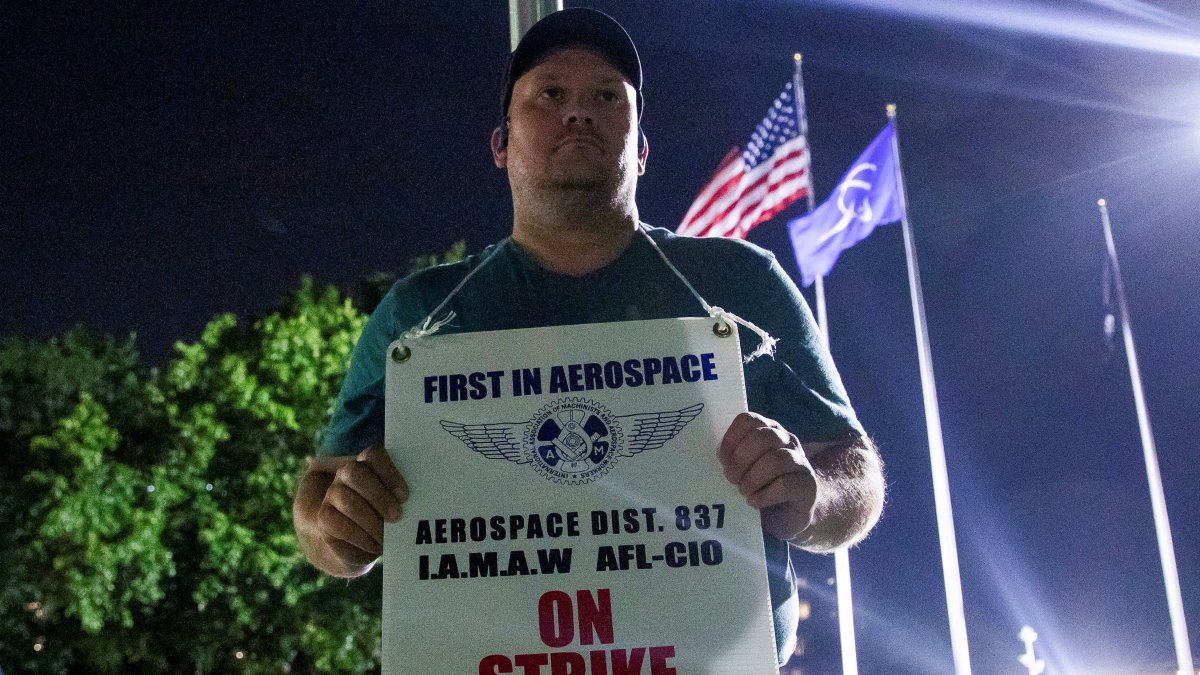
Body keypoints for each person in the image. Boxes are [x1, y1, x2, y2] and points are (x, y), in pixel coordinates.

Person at [292, 7, 884, 666]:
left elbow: (853, 472)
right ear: (500, 143)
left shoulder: (740, 281)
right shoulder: (420, 312)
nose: (579, 112)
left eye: (606, 96)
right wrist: (336, 524)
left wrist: (809, 493)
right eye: (550, 94)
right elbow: (320, 495)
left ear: (643, 147)